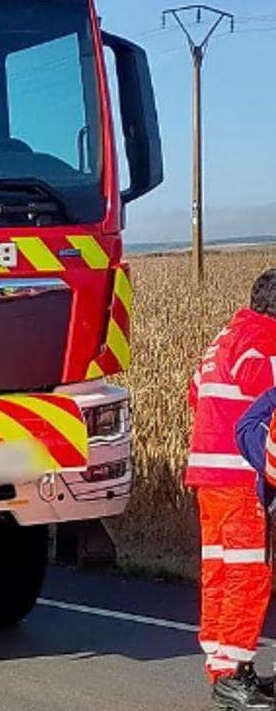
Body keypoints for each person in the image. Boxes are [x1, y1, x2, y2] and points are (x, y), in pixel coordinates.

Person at [187, 269, 276, 710]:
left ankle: (226, 669)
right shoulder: (263, 339)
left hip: (209, 476)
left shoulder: (226, 336)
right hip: (240, 477)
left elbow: (195, 392)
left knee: (220, 572)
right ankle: (235, 672)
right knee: (248, 573)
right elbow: (265, 392)